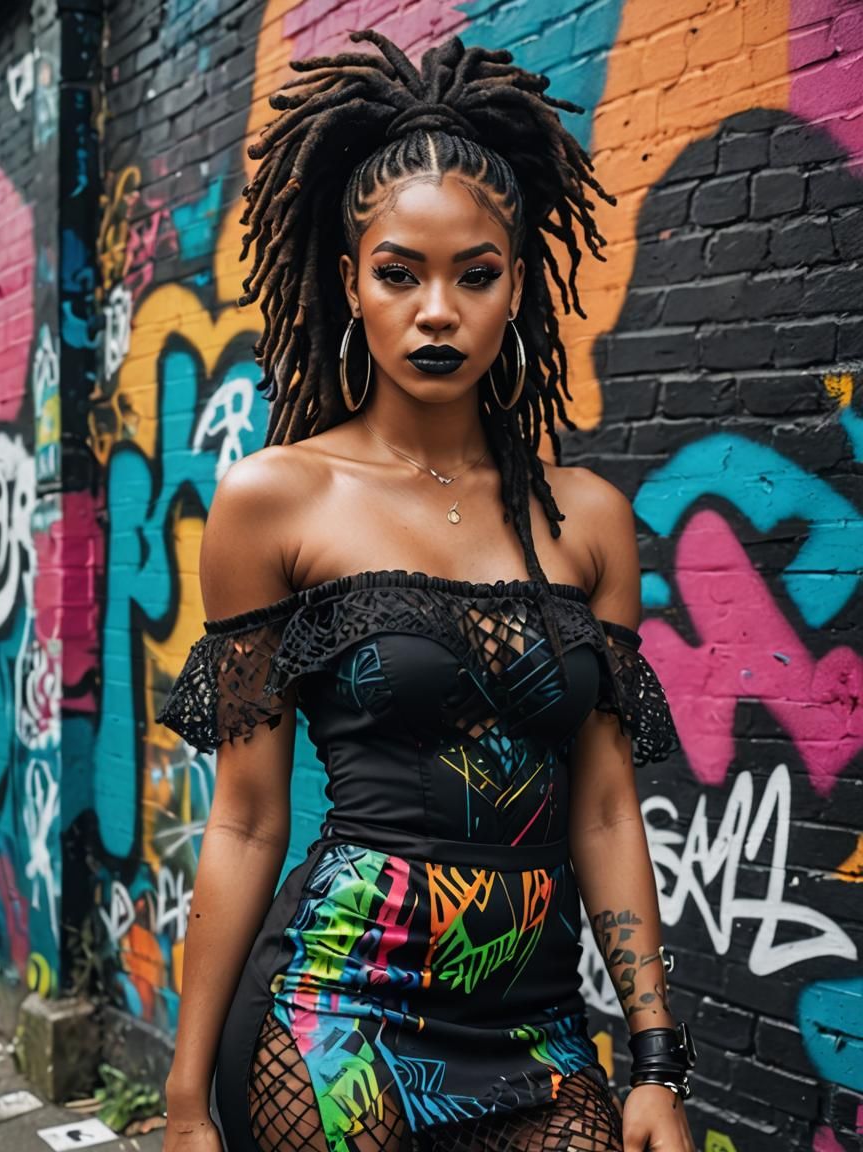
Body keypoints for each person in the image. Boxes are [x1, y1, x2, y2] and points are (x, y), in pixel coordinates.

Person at [157, 28, 696, 1152]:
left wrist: (651, 1062)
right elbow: (248, 821)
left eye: (475, 273)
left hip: (537, 1028)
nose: (436, 310)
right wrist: (183, 1096)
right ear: (349, 283)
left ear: (519, 287)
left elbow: (602, 808)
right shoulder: (276, 503)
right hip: (333, 1016)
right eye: (399, 272)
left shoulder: (586, 520)